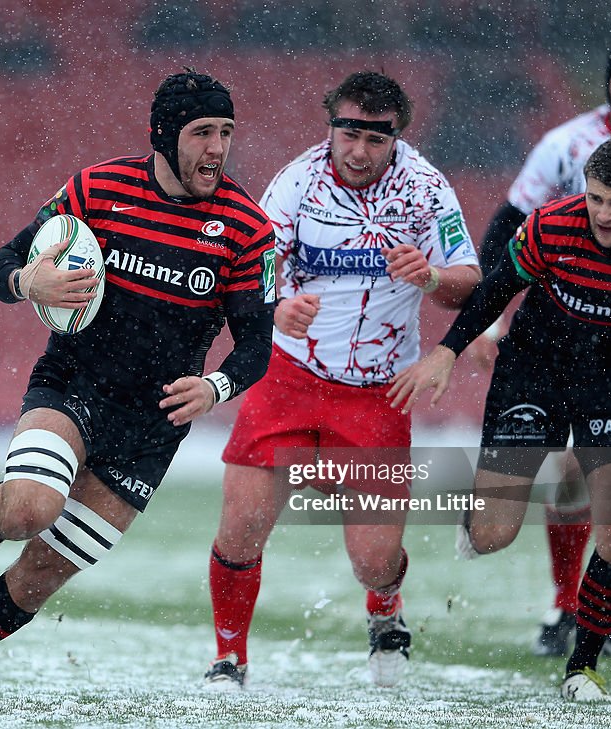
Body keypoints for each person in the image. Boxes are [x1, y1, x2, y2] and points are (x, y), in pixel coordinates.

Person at [0, 69, 277, 708]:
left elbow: (258, 344)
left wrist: (217, 386)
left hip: (153, 427)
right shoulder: (96, 188)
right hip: (74, 386)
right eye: (203, 133)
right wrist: (27, 284)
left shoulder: (248, 227)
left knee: (39, 577)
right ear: (165, 136)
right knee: (30, 508)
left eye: (226, 133)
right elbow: (1, 264)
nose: (217, 148)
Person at [202, 71, 481, 690]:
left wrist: (432, 279)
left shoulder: (428, 191)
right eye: (347, 133)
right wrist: (277, 306)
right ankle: (229, 659)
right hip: (290, 377)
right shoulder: (295, 184)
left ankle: (386, 612)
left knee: (374, 560)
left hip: (380, 391)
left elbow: (470, 282)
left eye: (374, 139)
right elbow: (254, 269)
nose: (357, 151)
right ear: (331, 125)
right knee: (241, 526)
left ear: (396, 137)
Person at [389, 136, 611, 701]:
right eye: (596, 198)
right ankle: (476, 511)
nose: (603, 213)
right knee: (494, 535)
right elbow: (497, 287)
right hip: (536, 369)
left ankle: (583, 668)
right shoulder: (550, 225)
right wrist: (448, 351)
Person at [472, 35, 611, 659]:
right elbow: (509, 227)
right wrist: (490, 322)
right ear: (609, 84)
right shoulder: (565, 144)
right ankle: (565, 606)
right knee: (570, 471)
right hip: (573, 328)